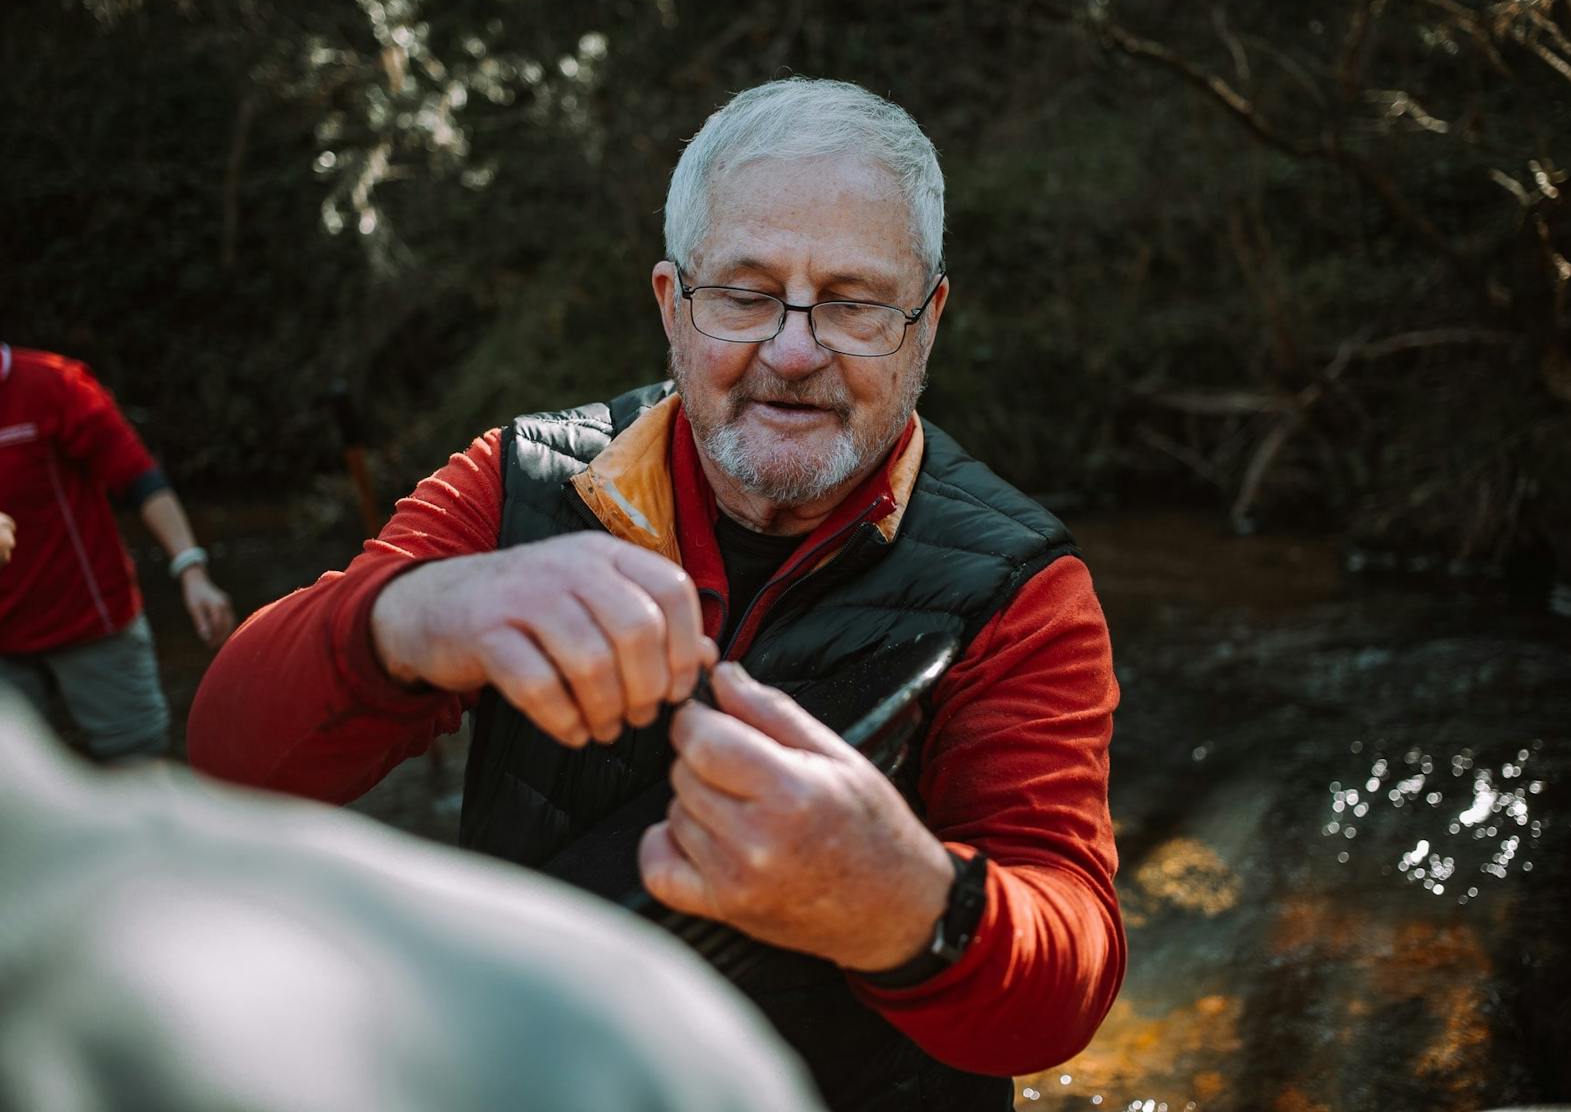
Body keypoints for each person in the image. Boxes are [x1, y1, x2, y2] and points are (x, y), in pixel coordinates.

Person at [189, 78, 1125, 1110]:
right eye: (743, 294)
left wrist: (905, 906)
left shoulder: (1023, 589)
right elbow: (230, 757)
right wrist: (415, 614)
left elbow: (1069, 978)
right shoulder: (517, 483)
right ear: (671, 305)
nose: (794, 351)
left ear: (926, 321)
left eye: (854, 303)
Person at [0, 698, 822, 1112]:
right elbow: (240, 740)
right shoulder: (521, 476)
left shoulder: (611, 1034)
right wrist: (385, 620)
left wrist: (897, 923)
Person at [0, 343, 235, 759]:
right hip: (5, 643)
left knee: (137, 760)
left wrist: (191, 571)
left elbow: (139, 477)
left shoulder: (54, 384)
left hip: (90, 624)